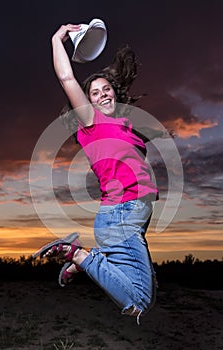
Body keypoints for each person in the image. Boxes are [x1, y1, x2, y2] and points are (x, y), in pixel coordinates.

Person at [36, 23, 164, 324]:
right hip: (122, 213)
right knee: (139, 300)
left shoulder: (125, 126)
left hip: (131, 214)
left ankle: (83, 263)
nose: (103, 94)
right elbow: (66, 77)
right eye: (95, 92)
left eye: (107, 89)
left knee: (151, 291)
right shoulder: (91, 122)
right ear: (87, 101)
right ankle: (78, 256)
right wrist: (57, 38)